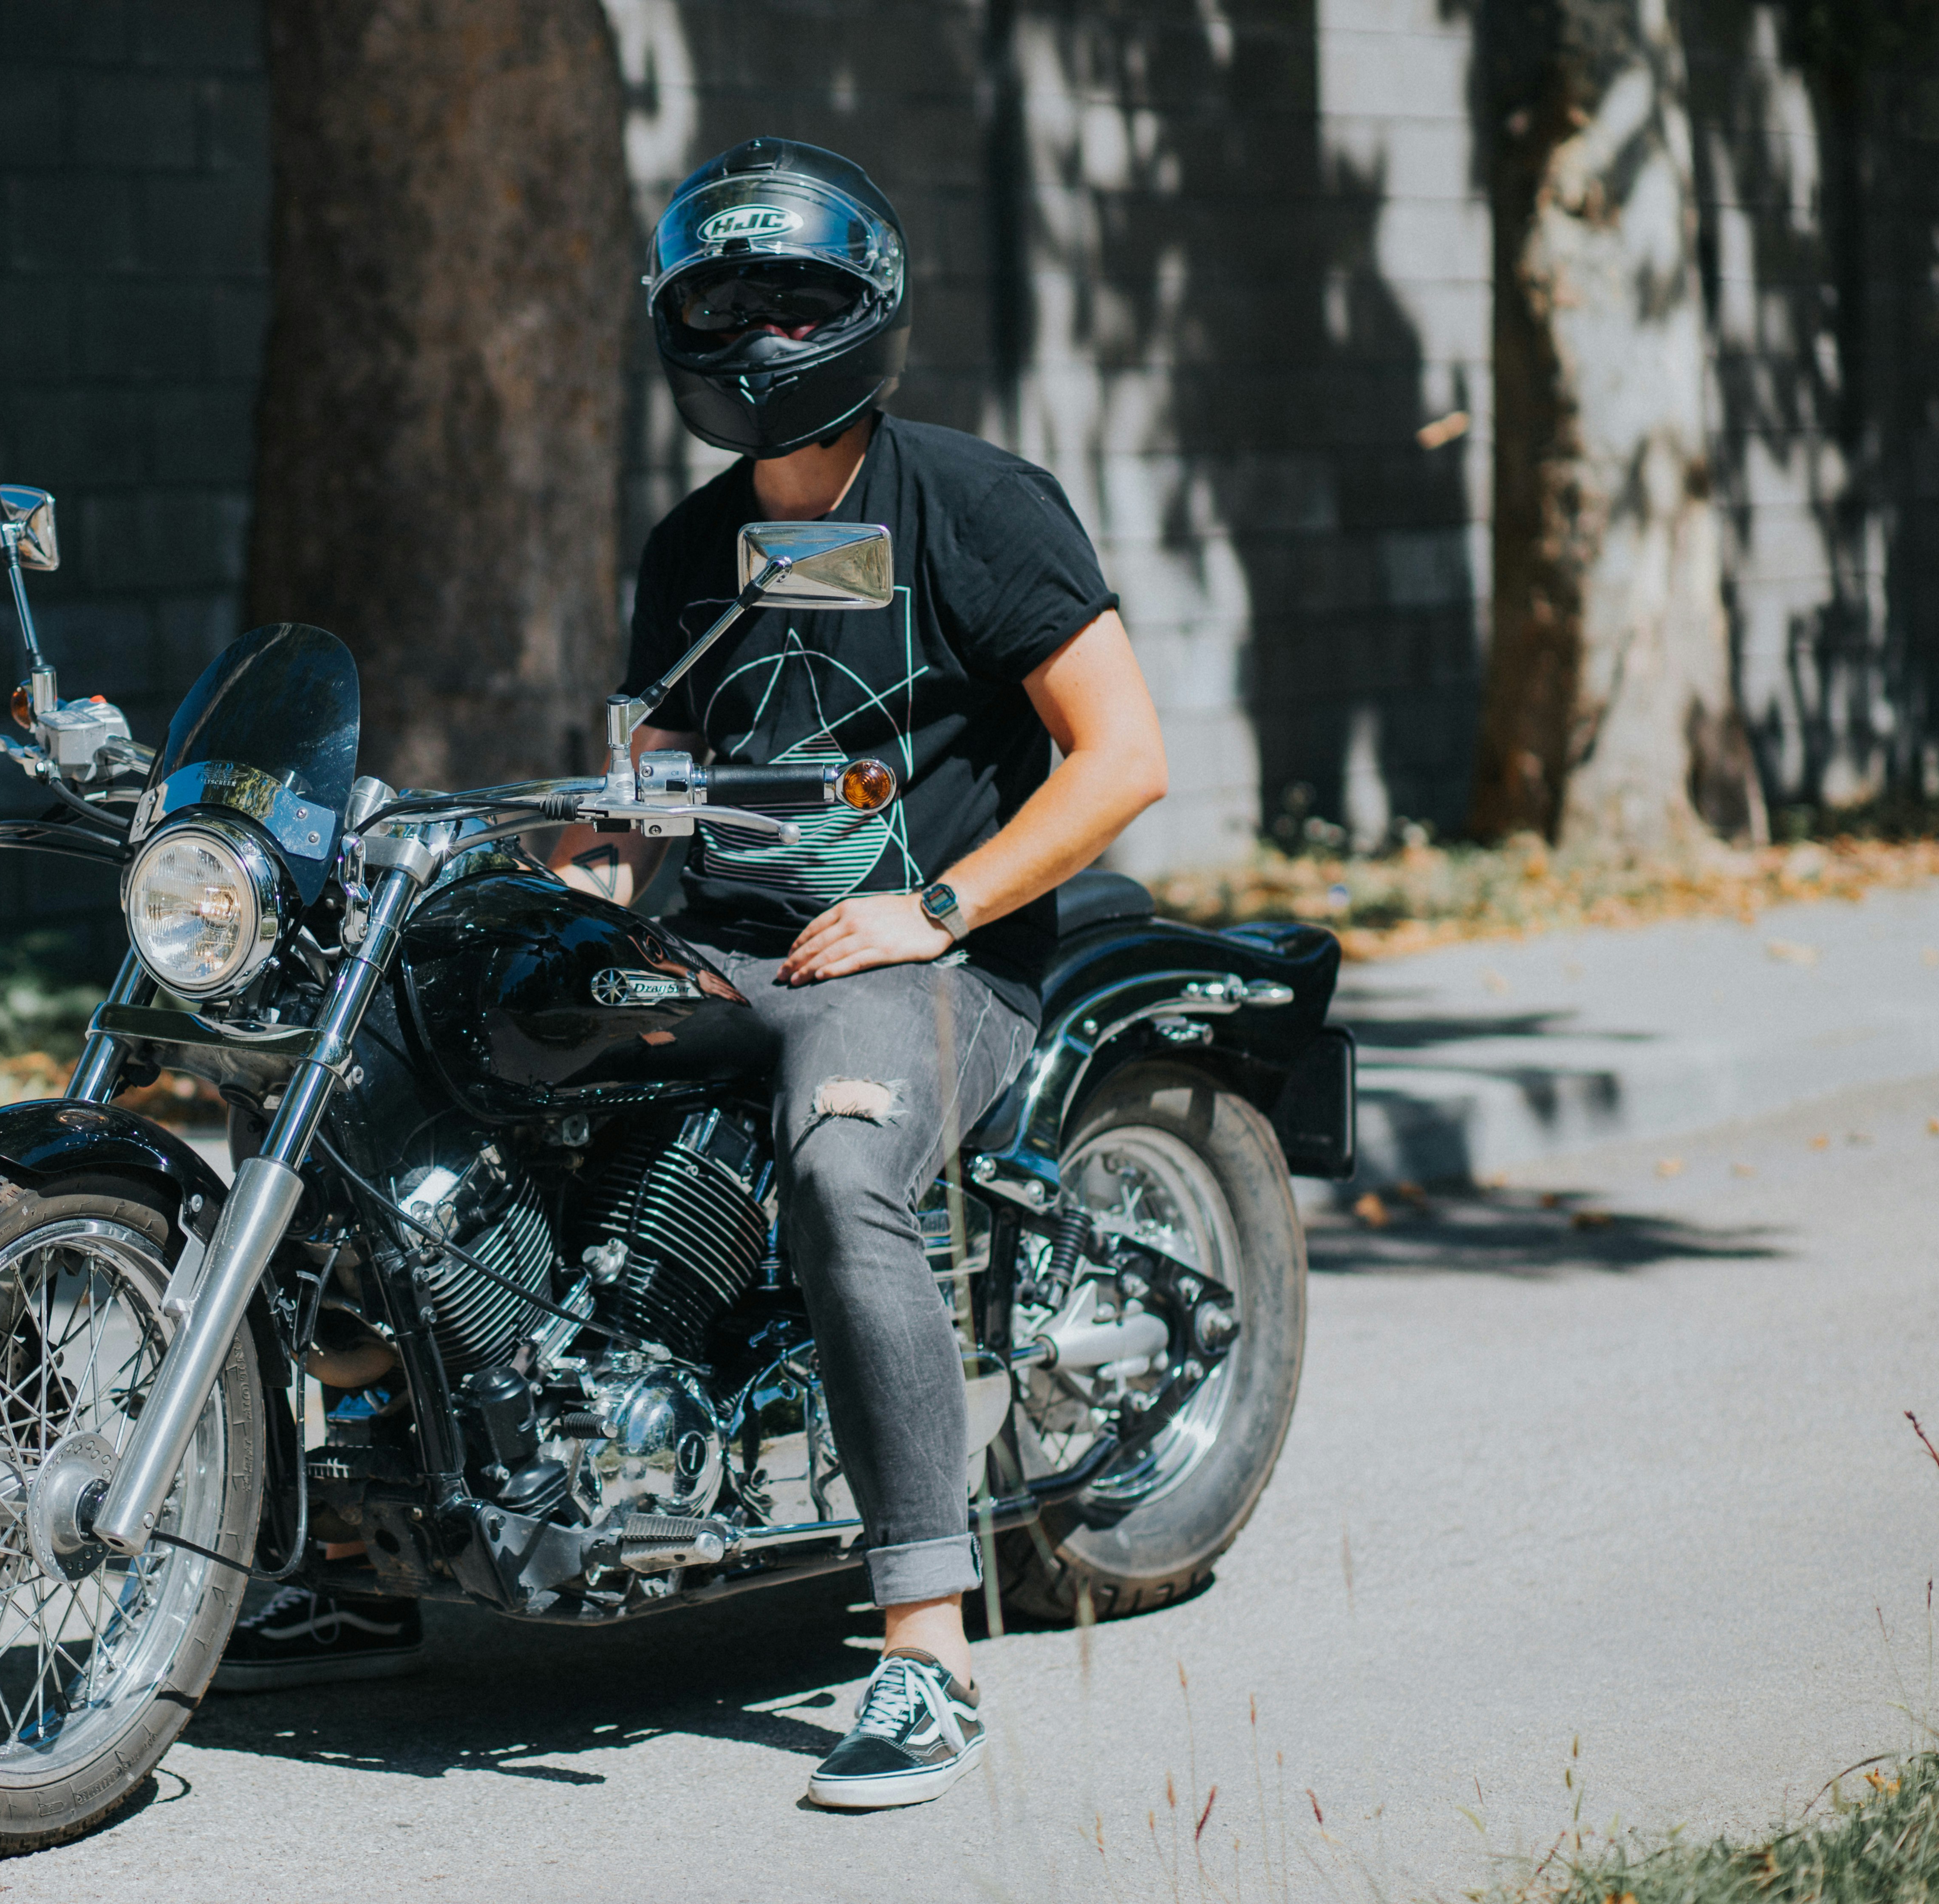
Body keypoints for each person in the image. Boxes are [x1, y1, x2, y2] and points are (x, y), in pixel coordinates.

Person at [222, 136, 1167, 1813]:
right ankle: (355, 1554)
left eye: (790, 296)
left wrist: (934, 908)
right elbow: (641, 800)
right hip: (729, 950)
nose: (753, 329)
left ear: (863, 306)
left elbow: (1122, 760)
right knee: (399, 1083)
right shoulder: (688, 547)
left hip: (931, 962)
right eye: (721, 297)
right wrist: (537, 889)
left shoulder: (977, 504)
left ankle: (926, 1646)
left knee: (841, 1161)